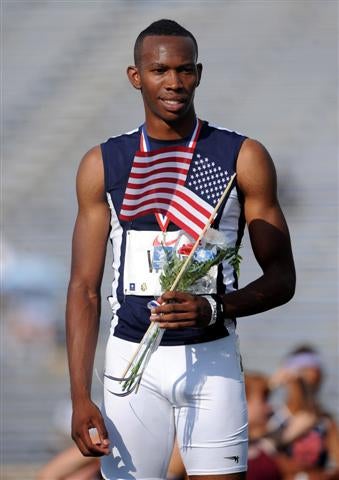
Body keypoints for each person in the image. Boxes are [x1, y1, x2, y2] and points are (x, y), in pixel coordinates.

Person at [66, 19, 296, 480]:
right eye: (160, 70)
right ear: (136, 76)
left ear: (199, 74)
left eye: (186, 71)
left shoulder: (242, 156)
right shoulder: (102, 163)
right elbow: (84, 289)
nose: (174, 82)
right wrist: (78, 395)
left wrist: (213, 309)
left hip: (211, 359)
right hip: (130, 362)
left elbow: (282, 278)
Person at [268, 346, 339, 479]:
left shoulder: (324, 422)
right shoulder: (272, 417)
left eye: (314, 382)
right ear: (289, 379)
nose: (308, 388)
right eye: (303, 381)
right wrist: (271, 385)